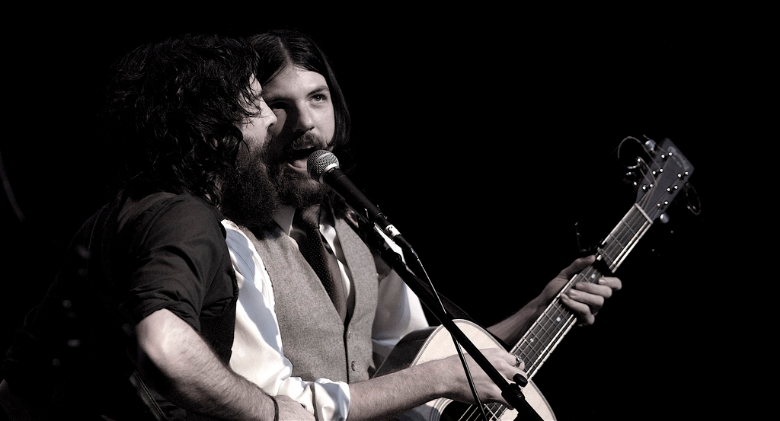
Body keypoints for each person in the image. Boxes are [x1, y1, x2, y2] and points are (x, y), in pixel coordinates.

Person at [217, 29, 623, 421]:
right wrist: (437, 378)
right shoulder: (232, 240)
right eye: (279, 104)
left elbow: (412, 361)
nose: (306, 122)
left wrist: (538, 309)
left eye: (318, 98)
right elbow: (267, 403)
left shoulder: (358, 230)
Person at [0, 34, 313, 421]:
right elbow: (164, 344)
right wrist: (270, 410)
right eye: (255, 102)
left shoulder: (111, 218)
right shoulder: (187, 217)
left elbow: (17, 389)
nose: (271, 119)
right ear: (213, 129)